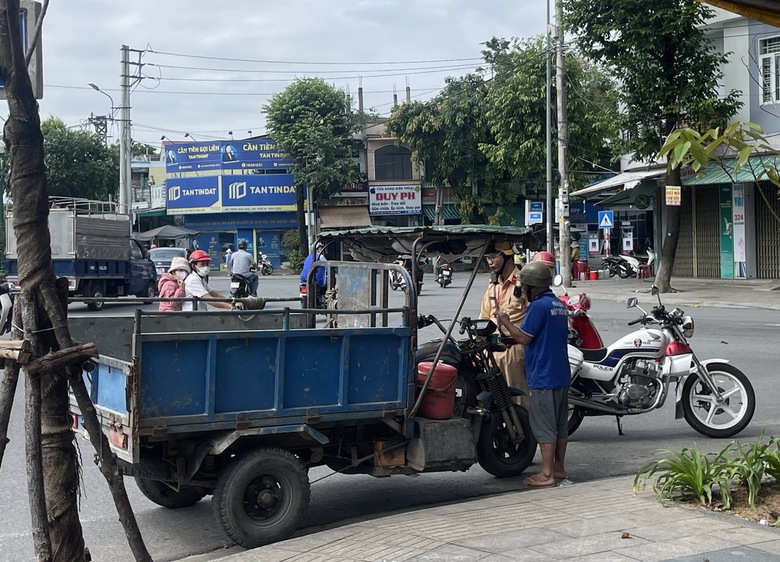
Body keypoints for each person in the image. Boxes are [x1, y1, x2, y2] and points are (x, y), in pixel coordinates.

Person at [497, 260, 570, 488]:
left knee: (544, 426)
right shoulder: (558, 304)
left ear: (532, 286)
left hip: (543, 375)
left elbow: (524, 338)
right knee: (559, 425)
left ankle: (546, 474)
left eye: (525, 287)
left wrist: (506, 322)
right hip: (560, 373)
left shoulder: (538, 307)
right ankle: (558, 468)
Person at [479, 239, 528, 407]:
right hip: (491, 353)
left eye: (494, 257)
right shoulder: (493, 285)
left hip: (514, 353)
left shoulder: (523, 283)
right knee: (495, 402)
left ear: (507, 256)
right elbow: (485, 316)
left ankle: (522, 432)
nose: (490, 262)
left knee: (518, 401)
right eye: (488, 257)